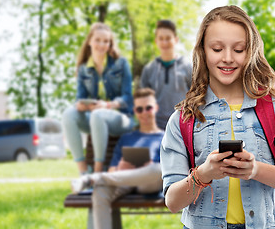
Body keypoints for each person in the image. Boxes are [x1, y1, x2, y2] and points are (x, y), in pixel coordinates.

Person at [160, 5, 275, 229]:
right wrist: (204, 174)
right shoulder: (183, 119)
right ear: (203, 51)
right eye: (216, 48)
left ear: (250, 51)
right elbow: (173, 202)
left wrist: (256, 170)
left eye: (239, 49)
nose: (227, 58)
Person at [71, 88, 164, 229]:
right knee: (100, 191)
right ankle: (96, 179)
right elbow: (112, 171)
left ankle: (93, 178)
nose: (144, 113)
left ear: (155, 108)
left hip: (149, 183)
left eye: (148, 108)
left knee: (158, 169)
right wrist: (120, 167)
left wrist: (148, 166)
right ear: (135, 111)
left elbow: (169, 170)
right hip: (124, 181)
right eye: (139, 109)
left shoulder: (165, 137)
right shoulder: (126, 138)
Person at [62, 22, 134, 174]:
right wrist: (81, 105)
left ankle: (97, 171)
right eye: (98, 40)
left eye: (106, 41)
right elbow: (79, 98)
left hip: (122, 118)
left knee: (97, 114)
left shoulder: (121, 64)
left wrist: (107, 105)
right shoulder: (83, 68)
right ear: (89, 41)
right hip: (95, 118)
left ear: (110, 44)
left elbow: (128, 99)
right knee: (69, 113)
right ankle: (83, 170)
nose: (102, 44)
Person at [140, 19, 192, 130]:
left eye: (168, 38)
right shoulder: (149, 69)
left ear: (176, 40)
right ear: (156, 41)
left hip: (181, 127)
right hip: (155, 128)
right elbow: (142, 102)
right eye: (161, 39)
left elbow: (197, 98)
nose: (164, 42)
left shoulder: (187, 67)